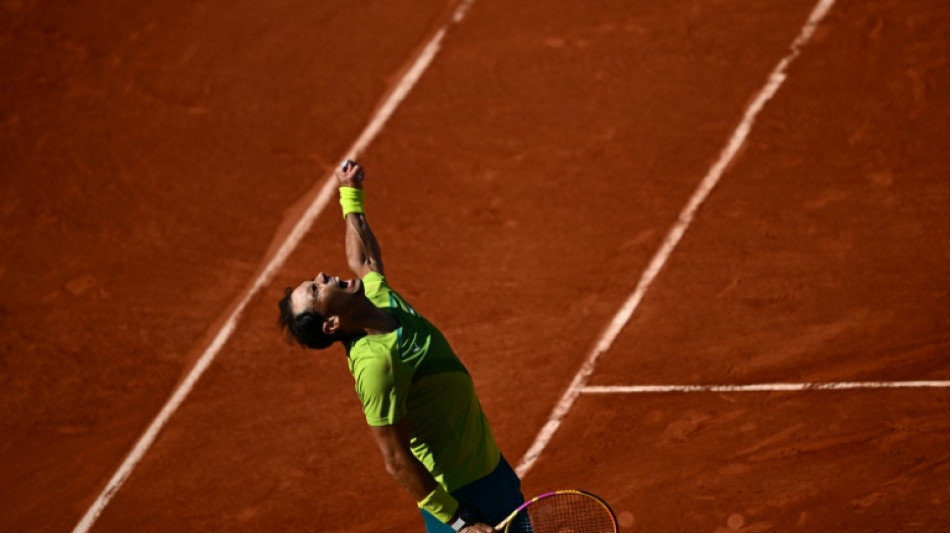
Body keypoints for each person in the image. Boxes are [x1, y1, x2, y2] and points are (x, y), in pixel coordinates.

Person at [278, 160, 524, 532]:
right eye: (316, 290)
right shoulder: (377, 366)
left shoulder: (376, 298)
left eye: (313, 281)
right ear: (331, 324)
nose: (322, 276)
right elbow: (395, 459)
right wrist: (460, 523)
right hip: (460, 495)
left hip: (490, 468)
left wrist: (350, 194)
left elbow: (363, 259)